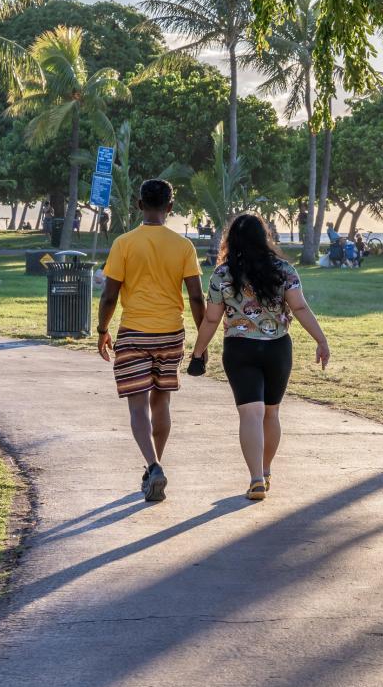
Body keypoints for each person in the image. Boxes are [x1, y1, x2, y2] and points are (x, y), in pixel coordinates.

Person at [188, 214, 330, 501]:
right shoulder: (284, 270)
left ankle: (255, 479)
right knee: (271, 412)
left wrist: (198, 351)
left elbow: (211, 320)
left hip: (240, 349)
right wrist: (321, 340)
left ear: (231, 241)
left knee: (249, 414)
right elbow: (300, 308)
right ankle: (265, 471)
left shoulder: (222, 274)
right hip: (278, 348)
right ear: (264, 237)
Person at [96, 179, 206, 503]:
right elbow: (197, 297)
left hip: (133, 333)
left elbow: (109, 295)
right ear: (170, 208)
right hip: (172, 333)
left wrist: (103, 329)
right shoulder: (184, 246)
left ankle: (153, 464)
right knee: (162, 402)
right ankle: (155, 465)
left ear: (139, 205)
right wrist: (203, 340)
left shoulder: (124, 243)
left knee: (137, 405)